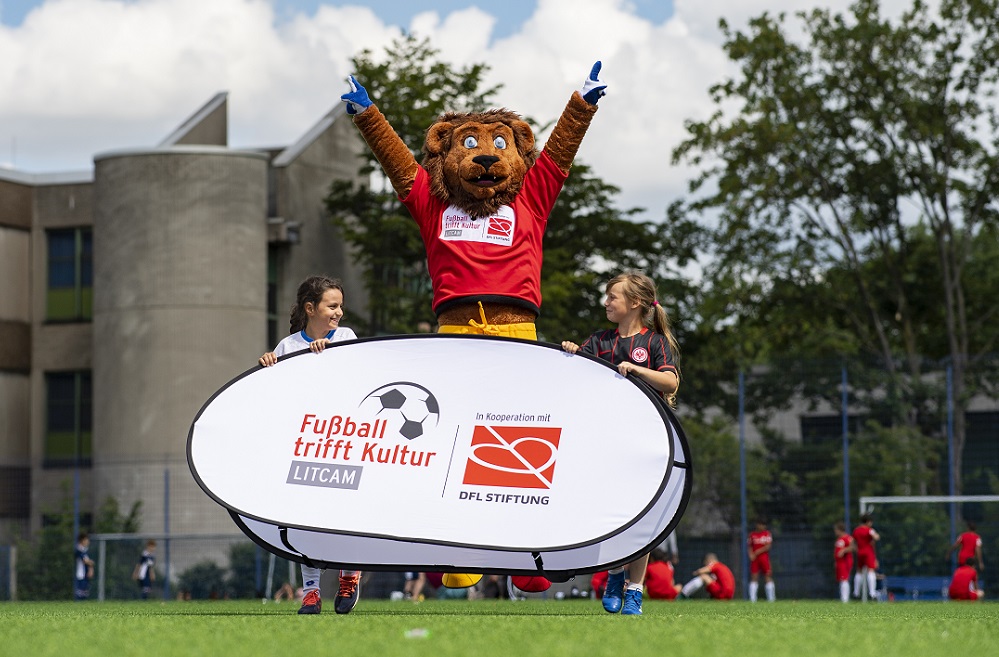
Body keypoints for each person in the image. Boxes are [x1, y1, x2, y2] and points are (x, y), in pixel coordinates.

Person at [562, 271, 680, 615]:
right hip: (605, 440)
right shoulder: (599, 340)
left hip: (645, 440)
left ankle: (635, 590)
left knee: (641, 516)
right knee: (611, 513)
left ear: (635, 303)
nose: (606, 303)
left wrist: (639, 371)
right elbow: (574, 375)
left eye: (612, 297)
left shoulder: (654, 343)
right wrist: (570, 353)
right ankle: (614, 574)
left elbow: (670, 382)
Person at [258, 275, 361, 615]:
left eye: (340, 306)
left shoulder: (346, 338)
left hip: (342, 442)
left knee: (344, 513)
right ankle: (311, 592)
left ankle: (349, 575)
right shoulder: (287, 347)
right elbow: (277, 397)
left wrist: (327, 355)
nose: (339, 313)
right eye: (333, 306)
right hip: (305, 446)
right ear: (310, 308)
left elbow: (359, 378)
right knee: (303, 517)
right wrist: (269, 367)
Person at [852, 514, 880, 600]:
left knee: (859, 571)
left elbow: (853, 542)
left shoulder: (856, 530)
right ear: (868, 522)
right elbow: (877, 537)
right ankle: (872, 593)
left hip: (859, 552)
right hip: (868, 552)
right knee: (870, 570)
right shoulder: (869, 530)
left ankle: (856, 593)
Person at [747, 520, 775, 602]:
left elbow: (768, 546)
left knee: (767, 576)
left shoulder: (767, 534)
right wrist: (751, 554)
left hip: (764, 558)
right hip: (755, 560)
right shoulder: (752, 535)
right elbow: (749, 546)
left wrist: (757, 552)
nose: (763, 527)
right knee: (754, 577)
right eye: (762, 524)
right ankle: (752, 599)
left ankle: (771, 599)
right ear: (757, 524)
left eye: (764, 525)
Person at [833, 521, 856, 603]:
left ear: (840, 530)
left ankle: (845, 599)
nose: (835, 532)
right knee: (841, 579)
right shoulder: (839, 539)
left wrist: (844, 550)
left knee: (844, 579)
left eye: (836, 530)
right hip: (839, 562)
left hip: (845, 562)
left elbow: (853, 547)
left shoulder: (847, 538)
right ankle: (843, 598)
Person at [74, 532, 95, 601]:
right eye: (86, 540)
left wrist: (91, 569)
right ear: (82, 540)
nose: (88, 542)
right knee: (80, 594)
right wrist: (91, 563)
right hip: (80, 575)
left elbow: (88, 562)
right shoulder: (79, 549)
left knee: (85, 593)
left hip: (85, 574)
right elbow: (86, 561)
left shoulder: (85, 550)